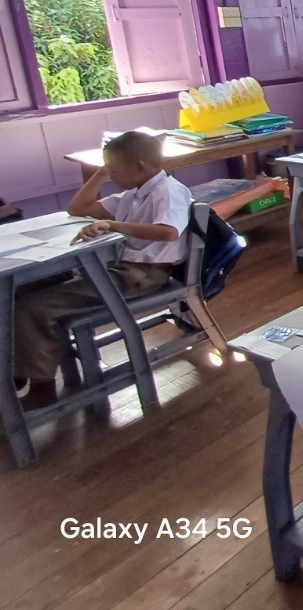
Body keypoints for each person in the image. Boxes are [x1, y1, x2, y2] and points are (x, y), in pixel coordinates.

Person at [14, 131, 191, 409]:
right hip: (120, 270)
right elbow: (77, 208)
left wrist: (112, 224)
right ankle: (19, 370)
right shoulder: (133, 194)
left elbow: (168, 232)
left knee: (32, 307)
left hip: (142, 275)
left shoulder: (168, 191)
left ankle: (42, 387)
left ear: (139, 167)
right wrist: (102, 172)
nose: (112, 176)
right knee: (23, 290)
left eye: (115, 170)